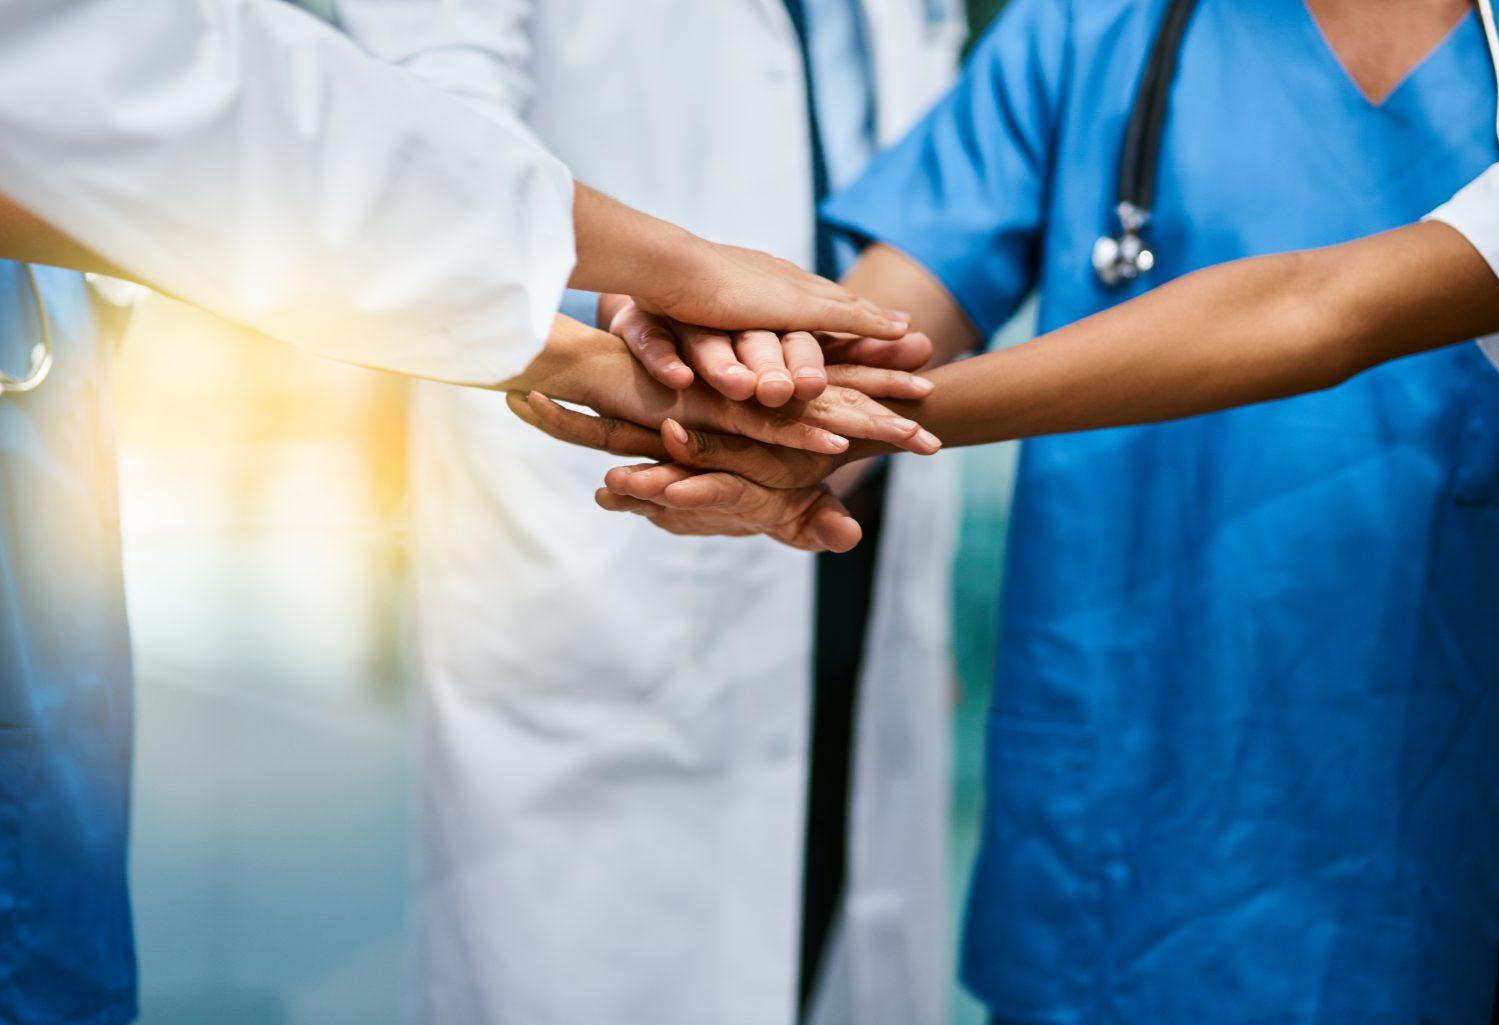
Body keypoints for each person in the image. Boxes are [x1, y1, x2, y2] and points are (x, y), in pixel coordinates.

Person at [531, 1, 1499, 1021]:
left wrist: (811, 423)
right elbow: (889, 312)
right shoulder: (1096, 25)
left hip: (1432, 798)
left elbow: (1314, 311)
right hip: (1112, 819)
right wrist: (760, 387)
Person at [0, 2, 936, 1023]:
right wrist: (657, 276)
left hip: (822, 518)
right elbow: (171, 104)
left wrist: (619, 326)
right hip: (608, 521)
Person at [332, 2, 963, 1023]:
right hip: (611, 534)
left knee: (835, 934)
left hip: (858, 544)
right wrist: (641, 291)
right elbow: (422, 122)